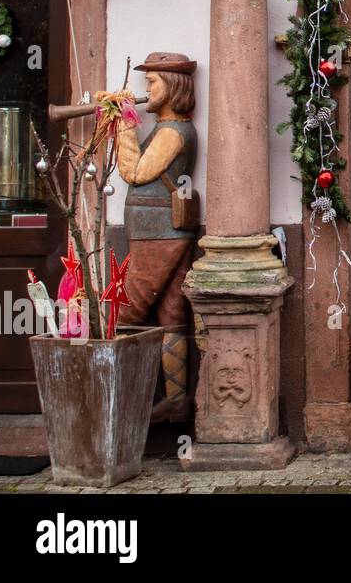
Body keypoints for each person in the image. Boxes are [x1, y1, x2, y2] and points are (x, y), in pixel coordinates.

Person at [97, 52, 199, 423]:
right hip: (162, 230)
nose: (147, 89)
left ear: (172, 86)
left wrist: (124, 124)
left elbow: (135, 172)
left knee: (127, 310)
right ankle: (175, 400)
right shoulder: (170, 127)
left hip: (158, 234)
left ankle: (110, 394)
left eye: (152, 82)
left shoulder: (172, 131)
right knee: (171, 314)